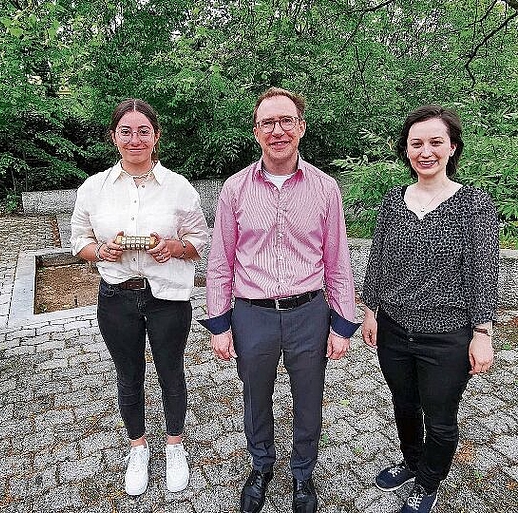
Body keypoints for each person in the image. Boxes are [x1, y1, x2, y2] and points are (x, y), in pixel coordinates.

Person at [200, 87, 359, 513]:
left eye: (286, 120)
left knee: (310, 396)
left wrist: (343, 324)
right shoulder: (234, 190)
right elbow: (220, 261)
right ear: (256, 132)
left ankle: (303, 473)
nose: (278, 130)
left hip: (309, 312)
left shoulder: (326, 189)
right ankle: (261, 465)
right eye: (268, 123)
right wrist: (219, 323)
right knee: (256, 395)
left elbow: (337, 260)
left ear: (301, 127)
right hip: (252, 315)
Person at [361, 105, 498, 513]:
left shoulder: (474, 204)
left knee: (440, 418)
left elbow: (483, 272)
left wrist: (482, 333)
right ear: (406, 151)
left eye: (436, 142)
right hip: (395, 330)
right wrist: (371, 310)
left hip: (447, 336)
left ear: (452, 147)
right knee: (404, 405)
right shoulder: (393, 201)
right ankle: (411, 461)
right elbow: (380, 259)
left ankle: (429, 482)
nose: (426, 151)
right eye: (416, 143)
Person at [70, 98, 209, 496]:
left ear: (156, 136)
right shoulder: (93, 189)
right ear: (114, 137)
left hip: (167, 297)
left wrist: (173, 247)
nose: (135, 139)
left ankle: (175, 445)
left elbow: (200, 240)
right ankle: (137, 447)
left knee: (171, 372)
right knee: (129, 376)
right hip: (116, 297)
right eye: (126, 131)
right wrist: (102, 251)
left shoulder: (179, 187)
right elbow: (78, 241)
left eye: (143, 131)